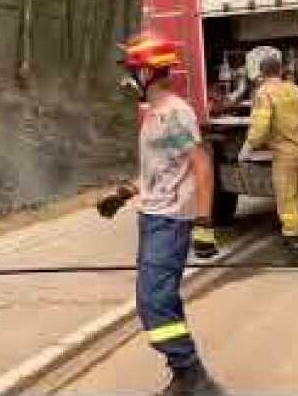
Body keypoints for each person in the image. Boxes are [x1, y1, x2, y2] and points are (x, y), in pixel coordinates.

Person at [97, 33, 223, 396]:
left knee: (154, 301)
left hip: (171, 221)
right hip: (153, 217)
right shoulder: (154, 115)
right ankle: (186, 376)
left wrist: (202, 223)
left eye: (133, 71)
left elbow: (200, 166)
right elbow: (164, 168)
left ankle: (193, 376)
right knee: (159, 299)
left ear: (149, 73)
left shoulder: (174, 114)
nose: (128, 79)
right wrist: (126, 194)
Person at [239, 50, 298, 264]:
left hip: (286, 153)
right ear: (280, 70)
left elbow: (261, 125)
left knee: (286, 197)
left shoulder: (265, 93)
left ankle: (294, 243)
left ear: (261, 73)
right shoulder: (295, 89)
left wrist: (247, 148)